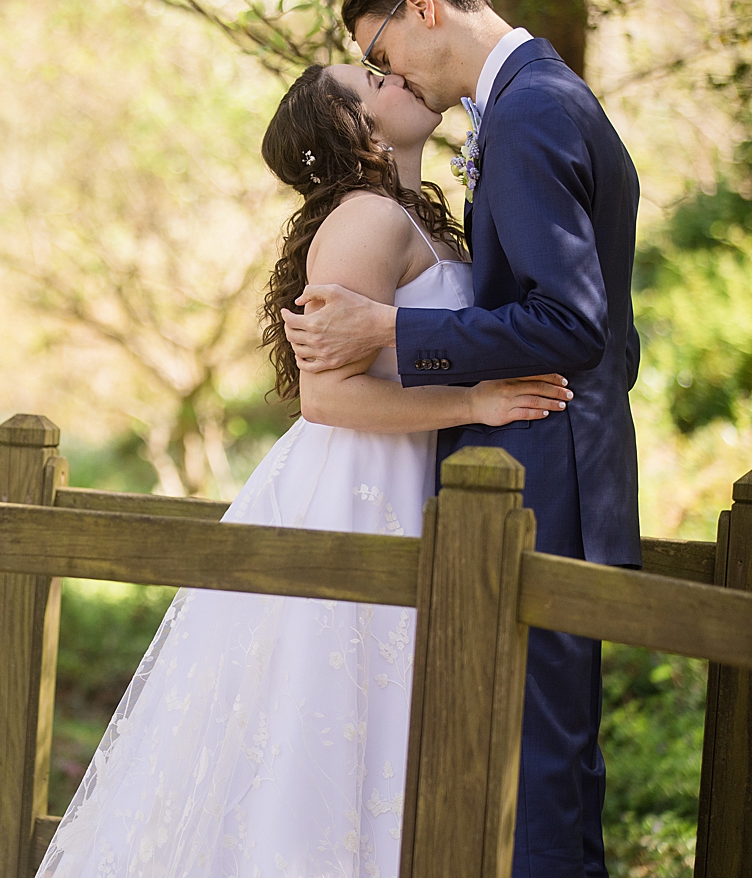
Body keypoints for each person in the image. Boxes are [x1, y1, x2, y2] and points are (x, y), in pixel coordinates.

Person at [35, 60, 572, 878]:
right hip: (358, 485)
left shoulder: (414, 220)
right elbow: (327, 399)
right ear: (357, 131)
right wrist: (475, 405)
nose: (392, 78)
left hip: (408, 481)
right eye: (370, 81)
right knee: (325, 725)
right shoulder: (365, 219)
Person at [283, 0, 641, 878]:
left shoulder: (526, 114)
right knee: (536, 768)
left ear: (423, 8)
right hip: (527, 475)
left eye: (380, 50)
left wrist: (390, 334)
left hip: (539, 479)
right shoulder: (539, 99)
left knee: (537, 774)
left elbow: (573, 322)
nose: (386, 72)